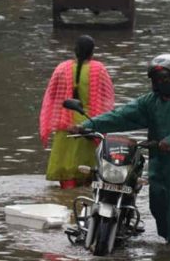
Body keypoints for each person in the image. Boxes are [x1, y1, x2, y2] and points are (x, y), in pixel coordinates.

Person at [71, 54, 170, 245]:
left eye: (167, 78)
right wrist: (89, 125)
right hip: (161, 164)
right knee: (161, 203)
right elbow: (121, 116)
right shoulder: (149, 102)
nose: (163, 82)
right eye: (158, 79)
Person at [39, 35, 114, 189]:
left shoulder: (62, 68)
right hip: (89, 125)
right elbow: (108, 98)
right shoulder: (99, 69)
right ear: (92, 52)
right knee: (87, 172)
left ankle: (66, 199)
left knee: (66, 170)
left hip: (65, 125)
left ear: (75, 51)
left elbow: (51, 96)